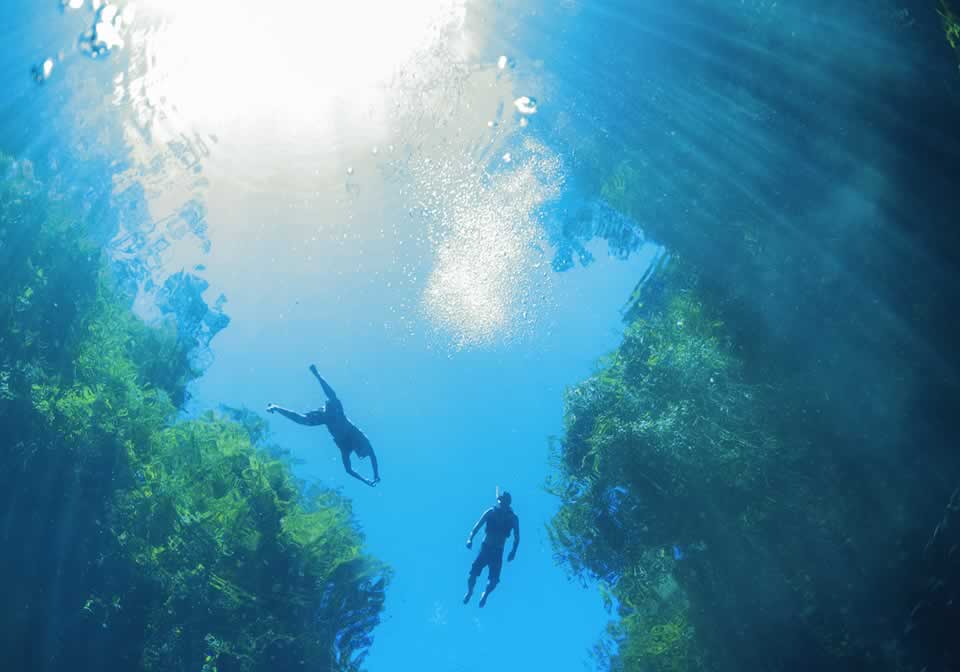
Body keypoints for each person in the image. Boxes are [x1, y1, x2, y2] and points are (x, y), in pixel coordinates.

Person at [267, 365, 380, 487]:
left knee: (302, 420)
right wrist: (376, 474)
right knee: (332, 397)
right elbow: (372, 456)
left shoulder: (345, 449)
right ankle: (317, 374)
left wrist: (365, 480)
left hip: (325, 418)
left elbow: (348, 470)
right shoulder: (361, 437)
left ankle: (276, 407)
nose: (360, 452)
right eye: (362, 451)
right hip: (337, 413)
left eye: (360, 454)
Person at [463, 491, 520, 607]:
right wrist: (470, 539)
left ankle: (485, 594)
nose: (501, 503)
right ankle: (470, 591)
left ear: (507, 503)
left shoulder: (513, 518)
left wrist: (513, 551)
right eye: (501, 501)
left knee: (493, 581)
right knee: (473, 573)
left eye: (504, 501)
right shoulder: (491, 512)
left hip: (498, 552)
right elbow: (477, 526)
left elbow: (517, 536)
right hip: (486, 548)